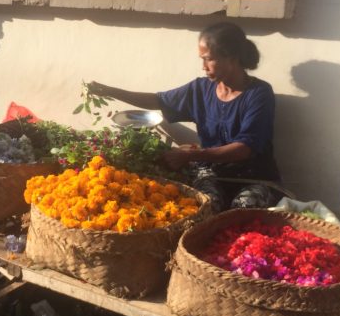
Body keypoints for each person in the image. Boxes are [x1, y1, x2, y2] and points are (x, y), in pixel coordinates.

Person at [89, 22, 280, 212]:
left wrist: (191, 155)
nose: (203, 67)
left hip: (254, 178)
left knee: (243, 209)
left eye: (208, 59)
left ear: (232, 57)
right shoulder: (200, 89)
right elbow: (159, 100)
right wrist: (110, 91)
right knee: (206, 207)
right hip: (213, 174)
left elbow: (244, 149)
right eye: (202, 59)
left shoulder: (259, 94)